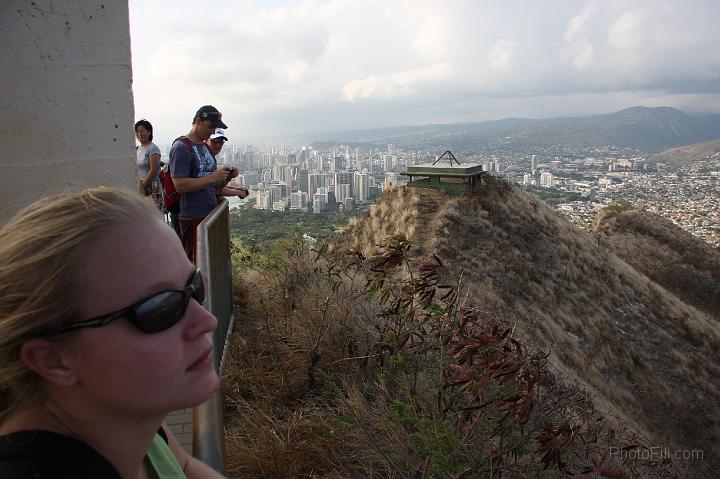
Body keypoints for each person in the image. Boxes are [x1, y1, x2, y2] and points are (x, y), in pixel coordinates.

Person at [0, 187, 225, 478]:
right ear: (52, 360)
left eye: (195, 287)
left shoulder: (128, 425)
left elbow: (181, 467)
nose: (207, 321)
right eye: (161, 309)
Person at [170, 106, 237, 263]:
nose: (212, 132)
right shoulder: (181, 148)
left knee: (210, 262)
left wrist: (227, 177)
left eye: (214, 128)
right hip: (192, 216)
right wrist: (212, 177)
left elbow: (213, 186)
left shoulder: (205, 148)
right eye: (210, 127)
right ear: (198, 121)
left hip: (209, 215)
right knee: (196, 262)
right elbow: (179, 185)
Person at [205, 129, 249, 200]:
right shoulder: (205, 159)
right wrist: (238, 192)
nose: (218, 145)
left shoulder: (210, 158)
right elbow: (215, 190)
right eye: (214, 141)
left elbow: (214, 186)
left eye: (221, 142)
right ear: (206, 140)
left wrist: (229, 178)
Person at [135, 119, 163, 209]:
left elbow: (154, 169)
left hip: (151, 188)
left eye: (142, 131)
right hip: (141, 187)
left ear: (149, 132)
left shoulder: (153, 148)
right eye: (137, 132)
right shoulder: (137, 149)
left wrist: (143, 185)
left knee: (154, 214)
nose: (140, 134)